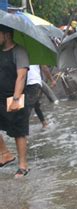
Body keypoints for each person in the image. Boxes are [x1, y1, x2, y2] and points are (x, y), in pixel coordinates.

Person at [0, 25, 30, 177]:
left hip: (15, 96)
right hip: (0, 97)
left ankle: (23, 165)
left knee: (19, 131)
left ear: (6, 35)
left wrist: (16, 98)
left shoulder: (19, 51)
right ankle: (5, 153)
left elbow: (21, 76)